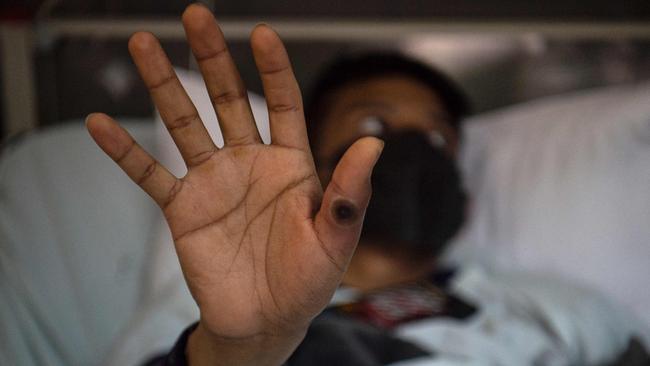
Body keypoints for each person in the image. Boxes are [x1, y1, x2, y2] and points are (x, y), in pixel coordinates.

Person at [87, 4, 649, 366]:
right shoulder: (211, 311)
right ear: (310, 162)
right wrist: (240, 351)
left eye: (436, 140)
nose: (406, 151)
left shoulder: (551, 309)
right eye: (372, 126)